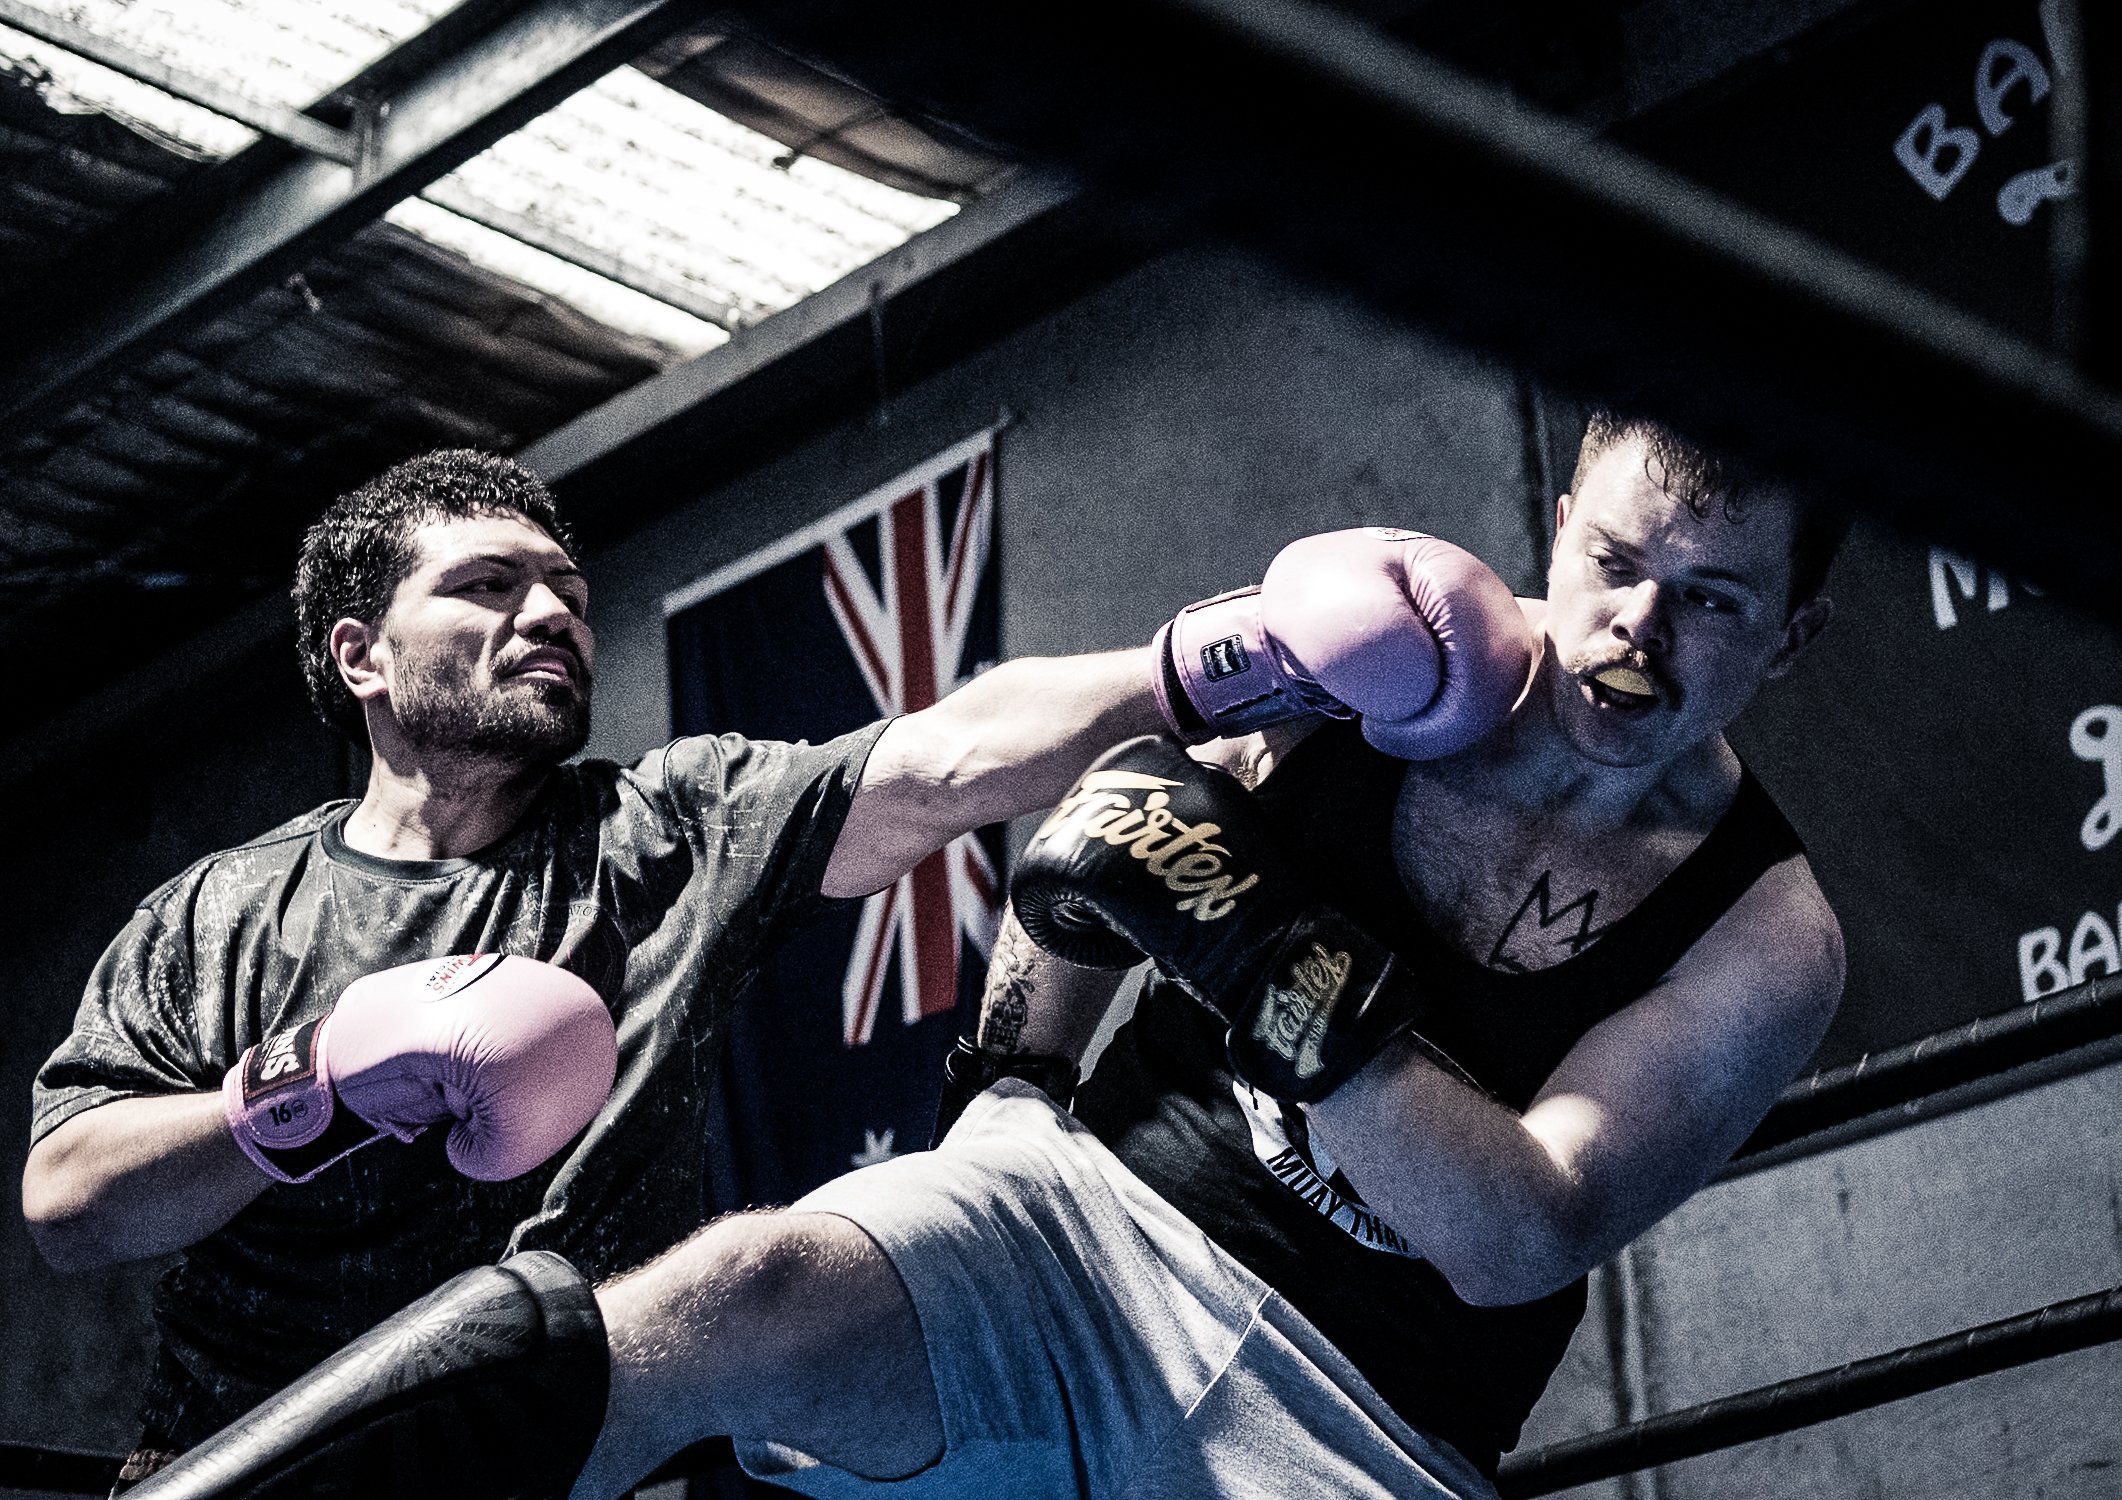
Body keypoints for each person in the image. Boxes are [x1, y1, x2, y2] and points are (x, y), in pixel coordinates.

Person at [118, 411, 1849, 1500]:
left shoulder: (1769, 936)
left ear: (1789, 634)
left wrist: (1254, 943)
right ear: (1559, 520)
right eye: (1615, 561)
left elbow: (1518, 1228)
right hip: (1085, 1224)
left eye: (1708, 598)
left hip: (1366, 1421)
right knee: (735, 1296)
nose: (1635, 628)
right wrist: (1013, 1080)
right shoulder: (1397, 658)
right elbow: (1114, 813)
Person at [20, 449, 1172, 1487]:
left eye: (569, 597)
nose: (551, 615)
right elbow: (69, 1204)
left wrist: (1222, 656)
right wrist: (309, 1090)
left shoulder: (665, 830)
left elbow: (946, 758)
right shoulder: (220, 911)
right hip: (257, 1465)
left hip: (574, 1462)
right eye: (487, 586)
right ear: (360, 655)